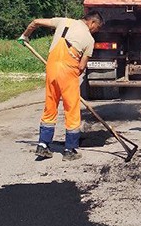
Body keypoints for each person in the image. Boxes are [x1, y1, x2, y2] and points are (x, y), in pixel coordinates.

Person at [19, 11, 104, 161]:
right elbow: (82, 67)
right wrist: (71, 79)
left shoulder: (64, 21)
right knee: (71, 110)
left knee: (50, 107)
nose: (96, 31)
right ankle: (70, 149)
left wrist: (25, 36)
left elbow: (36, 21)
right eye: (97, 27)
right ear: (92, 23)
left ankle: (43, 145)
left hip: (51, 68)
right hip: (69, 71)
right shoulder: (89, 40)